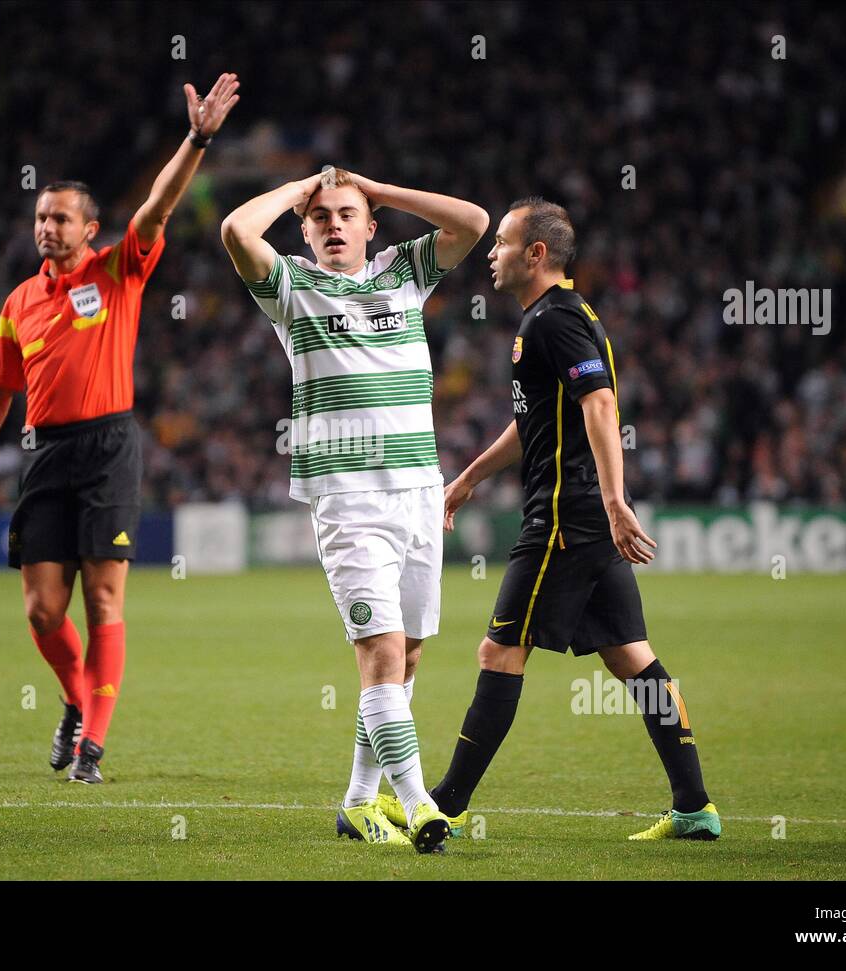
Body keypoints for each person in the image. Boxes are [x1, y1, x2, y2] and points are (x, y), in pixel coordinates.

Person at [0, 74, 241, 784]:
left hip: (108, 448)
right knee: (44, 612)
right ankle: (76, 702)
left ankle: (92, 747)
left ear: (90, 228)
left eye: (62, 218)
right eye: (42, 217)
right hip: (45, 456)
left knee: (103, 597)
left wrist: (196, 138)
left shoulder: (118, 272)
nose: (48, 227)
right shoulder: (20, 302)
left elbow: (160, 206)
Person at [432, 198, 721, 841]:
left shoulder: (553, 321)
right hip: (586, 516)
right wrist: (469, 479)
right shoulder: (561, 316)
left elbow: (599, 405)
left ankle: (444, 804)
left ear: (536, 254)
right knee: (631, 659)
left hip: (566, 517)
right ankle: (695, 807)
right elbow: (534, 420)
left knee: (500, 651)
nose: (491, 253)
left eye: (501, 242)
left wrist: (617, 502)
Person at [221, 167, 488, 851]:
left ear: (372, 227)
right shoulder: (292, 289)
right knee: (379, 657)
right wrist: (300, 187)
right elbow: (235, 230)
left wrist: (375, 187)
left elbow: (475, 222)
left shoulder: (406, 272)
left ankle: (358, 802)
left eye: (347, 215)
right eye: (319, 218)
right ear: (305, 234)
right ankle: (420, 802)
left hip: (420, 491)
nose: (334, 224)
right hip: (348, 499)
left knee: (410, 658)